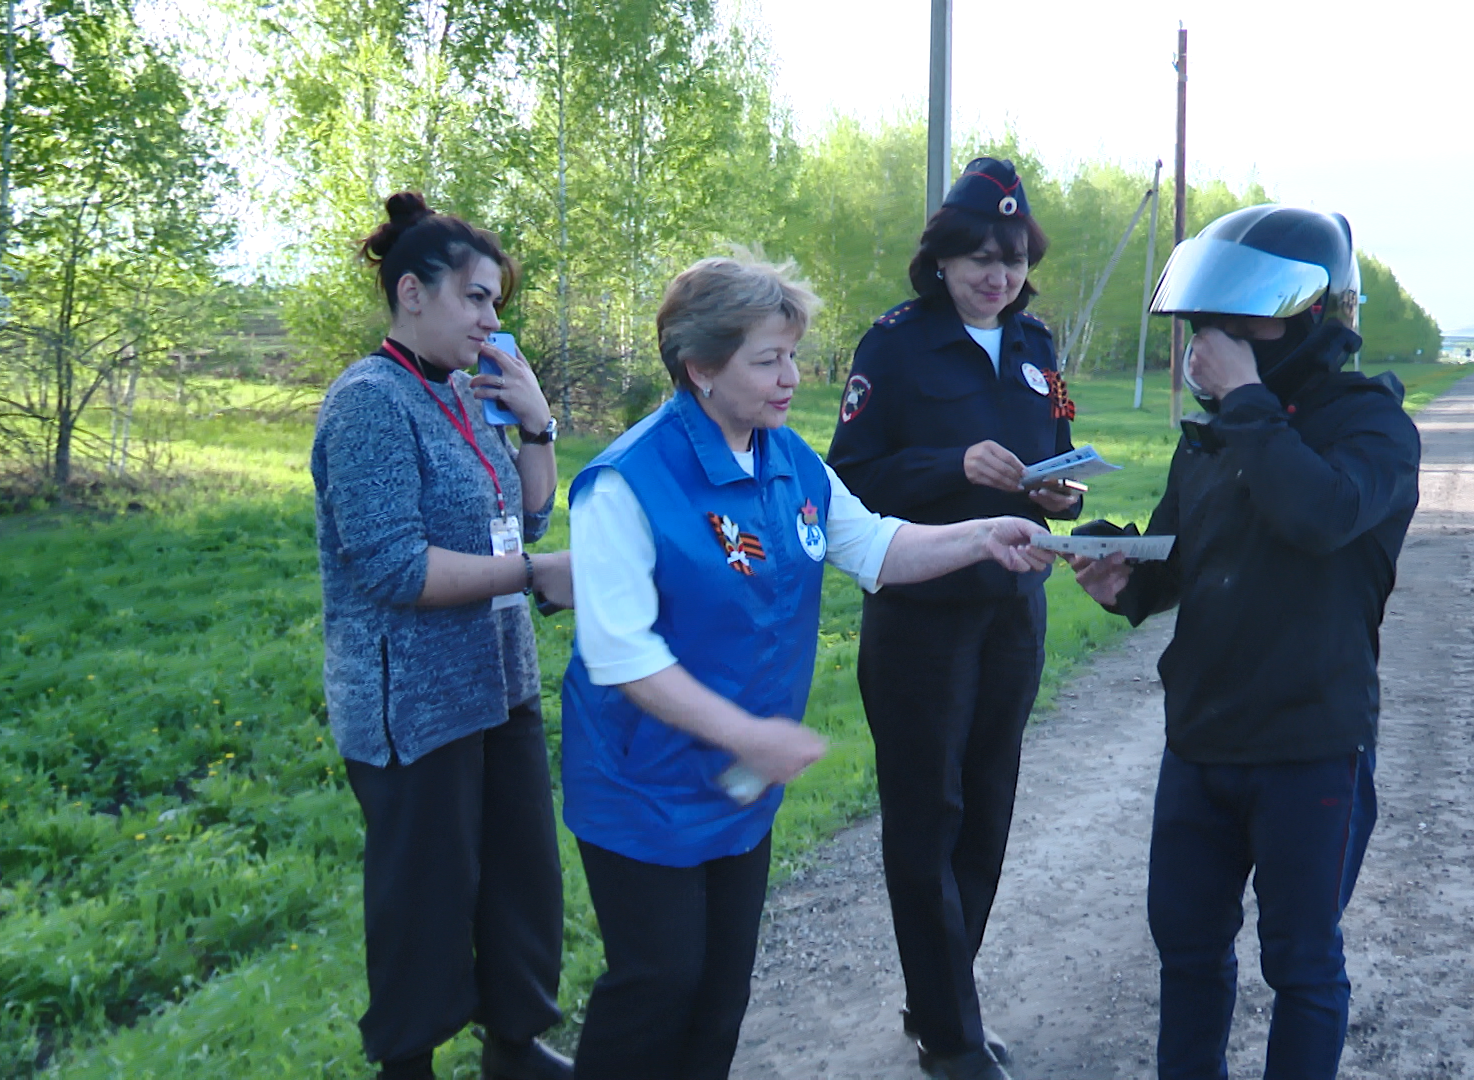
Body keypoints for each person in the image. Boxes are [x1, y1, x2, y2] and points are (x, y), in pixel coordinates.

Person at [558, 252, 1054, 1080]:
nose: (792, 377)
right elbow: (624, 657)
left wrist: (982, 536)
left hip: (743, 786)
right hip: (645, 787)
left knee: (720, 996)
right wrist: (751, 736)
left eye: (792, 354)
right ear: (701, 368)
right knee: (658, 987)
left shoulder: (788, 460)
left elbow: (877, 546)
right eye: (769, 359)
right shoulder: (625, 484)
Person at [1068, 205, 1421, 1080]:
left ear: (1306, 314)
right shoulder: (1225, 430)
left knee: (1301, 965)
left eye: (1240, 319)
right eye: (1204, 321)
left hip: (1311, 746)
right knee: (1187, 954)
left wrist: (1249, 401)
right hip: (1200, 741)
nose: (1213, 341)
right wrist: (1127, 579)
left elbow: (1316, 514)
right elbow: (1186, 557)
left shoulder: (1370, 428)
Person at [824, 156, 1081, 1080]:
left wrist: (1060, 495)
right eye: (977, 256)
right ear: (939, 261)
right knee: (926, 815)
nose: (995, 275)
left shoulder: (1041, 350)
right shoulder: (891, 347)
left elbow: (1059, 451)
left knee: (988, 813)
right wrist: (949, 467)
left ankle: (941, 993)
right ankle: (950, 1034)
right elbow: (846, 480)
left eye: (1010, 258)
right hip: (922, 619)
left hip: (1013, 612)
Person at [311, 192, 576, 1080]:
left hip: (499, 680)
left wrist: (535, 418)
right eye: (476, 298)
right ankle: (407, 1064)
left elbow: (531, 513)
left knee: (519, 880)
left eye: (496, 301)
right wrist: (535, 577)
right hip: (413, 706)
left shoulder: (468, 394)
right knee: (423, 903)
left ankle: (515, 1044)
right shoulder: (368, 402)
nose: (491, 318)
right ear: (412, 294)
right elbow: (395, 569)